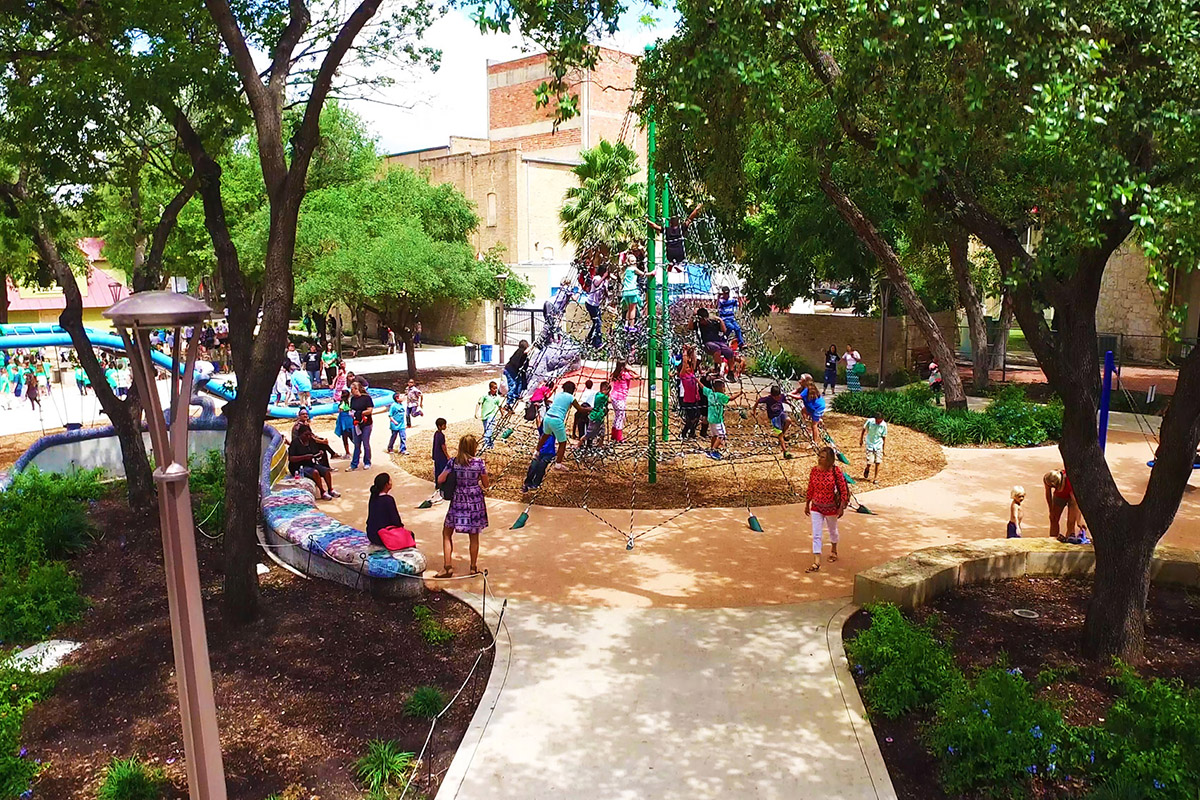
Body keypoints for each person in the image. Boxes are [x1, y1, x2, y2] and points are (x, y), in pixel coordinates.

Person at [436, 434, 489, 578]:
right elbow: (486, 484)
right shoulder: (479, 463)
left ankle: (447, 567)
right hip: (475, 501)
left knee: (447, 532)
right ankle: (473, 567)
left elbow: (440, 479)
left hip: (458, 499)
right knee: (474, 535)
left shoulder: (453, 462)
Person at [804, 446, 849, 572]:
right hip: (816, 506)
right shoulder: (814, 470)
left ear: (829, 459)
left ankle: (834, 550)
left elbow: (843, 490)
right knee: (816, 534)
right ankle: (816, 561)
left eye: (823, 457)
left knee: (832, 530)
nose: (819, 459)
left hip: (831, 508)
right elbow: (810, 487)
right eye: (819, 456)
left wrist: (841, 507)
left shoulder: (835, 471)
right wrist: (807, 503)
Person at [538, 380, 584, 468]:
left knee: (545, 436)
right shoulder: (571, 397)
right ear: (573, 390)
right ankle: (558, 464)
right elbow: (580, 409)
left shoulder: (558, 394)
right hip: (557, 419)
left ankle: (536, 453)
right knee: (562, 443)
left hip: (547, 417)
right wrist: (590, 409)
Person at [288, 424, 340, 499]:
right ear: (300, 434)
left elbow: (315, 452)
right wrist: (304, 457)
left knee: (326, 471)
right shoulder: (295, 443)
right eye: (306, 435)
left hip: (310, 463)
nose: (308, 437)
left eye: (309, 435)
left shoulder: (311, 441)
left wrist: (319, 453)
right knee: (315, 472)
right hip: (298, 466)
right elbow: (291, 458)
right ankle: (322, 491)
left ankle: (330, 489)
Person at [647, 204, 703, 272]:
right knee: (681, 258)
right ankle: (678, 264)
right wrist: (696, 209)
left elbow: (655, 226)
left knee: (670, 257)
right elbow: (690, 219)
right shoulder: (681, 228)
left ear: (670, 223)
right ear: (678, 223)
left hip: (670, 252)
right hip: (679, 251)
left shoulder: (667, 230)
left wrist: (647, 221)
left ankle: (671, 263)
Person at [366, 473, 414, 550]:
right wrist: (401, 528)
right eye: (390, 481)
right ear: (386, 485)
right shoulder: (388, 499)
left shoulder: (373, 497)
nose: (391, 482)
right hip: (382, 536)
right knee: (410, 535)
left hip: (371, 534)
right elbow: (396, 520)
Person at [694, 308, 743, 378]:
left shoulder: (713, 323)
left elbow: (724, 330)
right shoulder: (698, 324)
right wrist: (693, 316)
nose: (702, 322)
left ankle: (731, 372)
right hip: (707, 343)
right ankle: (717, 369)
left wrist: (720, 320)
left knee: (729, 351)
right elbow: (690, 327)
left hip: (718, 342)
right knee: (717, 348)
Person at [1043, 469, 1082, 540]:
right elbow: (1048, 494)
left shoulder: (1070, 480)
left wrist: (1079, 520)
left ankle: (1070, 538)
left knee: (1071, 522)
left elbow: (1075, 502)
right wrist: (1051, 510)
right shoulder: (1047, 478)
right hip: (1059, 496)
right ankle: (1053, 539)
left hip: (1072, 496)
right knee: (1053, 519)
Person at [755, 385, 792, 458]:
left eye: (778, 396)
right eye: (775, 397)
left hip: (781, 414)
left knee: (789, 420)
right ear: (772, 395)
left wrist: (790, 404)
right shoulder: (768, 399)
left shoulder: (781, 396)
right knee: (780, 434)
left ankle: (783, 434)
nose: (777, 398)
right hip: (774, 418)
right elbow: (758, 401)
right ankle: (785, 451)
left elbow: (785, 400)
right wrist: (753, 411)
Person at [791, 375, 827, 446]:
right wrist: (789, 393)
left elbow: (799, 397)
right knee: (803, 410)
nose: (799, 381)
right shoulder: (803, 388)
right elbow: (796, 391)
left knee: (814, 425)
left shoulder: (807, 389)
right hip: (812, 407)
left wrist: (789, 395)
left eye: (801, 379)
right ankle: (810, 423)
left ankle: (815, 442)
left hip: (818, 408)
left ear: (805, 381)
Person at [702, 378, 733, 459]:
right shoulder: (720, 396)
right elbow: (730, 399)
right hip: (718, 420)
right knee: (722, 435)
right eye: (723, 387)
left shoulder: (710, 393)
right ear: (720, 388)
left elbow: (702, 387)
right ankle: (713, 450)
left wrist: (697, 380)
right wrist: (740, 393)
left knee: (714, 435)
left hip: (710, 419)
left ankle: (710, 450)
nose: (724, 389)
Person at [523, 422, 558, 493]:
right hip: (540, 452)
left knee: (541, 467)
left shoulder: (554, 432)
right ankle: (527, 483)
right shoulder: (541, 431)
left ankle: (536, 483)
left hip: (549, 453)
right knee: (533, 466)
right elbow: (538, 422)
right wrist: (537, 415)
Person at [680, 346, 705, 440]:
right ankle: (683, 433)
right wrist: (685, 351)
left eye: (688, 367)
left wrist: (693, 350)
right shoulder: (683, 375)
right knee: (690, 419)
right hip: (688, 400)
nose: (688, 368)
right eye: (686, 367)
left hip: (695, 398)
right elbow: (684, 363)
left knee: (697, 417)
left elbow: (693, 361)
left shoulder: (691, 373)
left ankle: (692, 433)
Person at [619, 247, 648, 328]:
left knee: (629, 308)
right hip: (632, 291)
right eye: (632, 261)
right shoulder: (634, 268)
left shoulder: (626, 270)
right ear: (629, 262)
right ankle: (632, 326)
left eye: (635, 261)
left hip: (625, 292)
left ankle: (626, 324)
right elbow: (643, 274)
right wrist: (652, 273)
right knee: (633, 309)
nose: (634, 262)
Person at [608, 360, 636, 442]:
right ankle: (619, 437)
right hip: (620, 398)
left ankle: (614, 435)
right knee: (620, 417)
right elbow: (637, 376)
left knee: (617, 416)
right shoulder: (625, 374)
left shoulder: (615, 374)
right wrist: (631, 369)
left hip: (614, 397)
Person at [349, 382, 374, 470]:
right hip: (356, 423)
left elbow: (370, 410)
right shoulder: (353, 399)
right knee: (356, 444)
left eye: (352, 389)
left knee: (365, 443)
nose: (351, 391)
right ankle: (354, 464)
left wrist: (360, 413)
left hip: (366, 423)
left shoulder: (366, 398)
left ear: (357, 389)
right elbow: (351, 409)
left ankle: (367, 462)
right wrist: (352, 414)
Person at [859, 412, 888, 483]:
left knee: (878, 462)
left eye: (880, 421)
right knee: (870, 461)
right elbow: (864, 429)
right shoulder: (870, 421)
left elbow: (884, 437)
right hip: (870, 443)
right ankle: (867, 468)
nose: (878, 423)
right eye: (877, 421)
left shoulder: (884, 425)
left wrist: (883, 448)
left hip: (878, 445)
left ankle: (875, 478)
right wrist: (861, 439)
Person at [583, 380, 611, 448]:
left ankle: (600, 446)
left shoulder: (598, 394)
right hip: (596, 417)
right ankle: (579, 444)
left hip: (599, 417)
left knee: (602, 432)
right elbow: (610, 400)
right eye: (607, 390)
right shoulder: (602, 396)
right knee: (589, 433)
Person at [503, 340, 530, 407]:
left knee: (519, 382)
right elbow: (518, 360)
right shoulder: (520, 352)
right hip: (510, 370)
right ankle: (509, 402)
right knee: (513, 385)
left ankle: (516, 396)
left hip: (514, 371)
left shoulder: (522, 354)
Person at [431, 417, 451, 502]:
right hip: (441, 456)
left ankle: (437, 484)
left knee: (437, 470)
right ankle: (443, 485)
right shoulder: (442, 436)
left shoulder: (436, 434)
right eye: (444, 425)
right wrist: (447, 455)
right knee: (443, 470)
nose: (445, 426)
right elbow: (443, 446)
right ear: (440, 426)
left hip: (436, 455)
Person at [333, 389, 353, 457]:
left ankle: (347, 452)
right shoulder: (349, 402)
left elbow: (340, 410)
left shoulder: (342, 403)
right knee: (352, 436)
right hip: (349, 420)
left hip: (343, 421)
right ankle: (357, 448)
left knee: (345, 438)